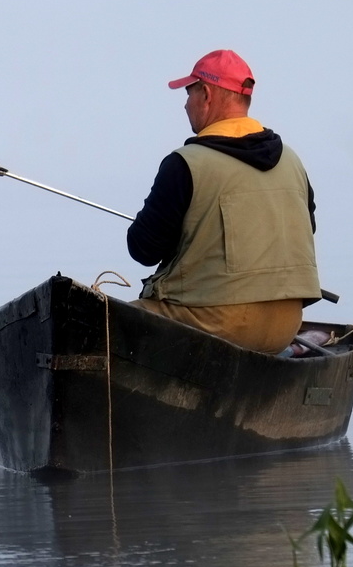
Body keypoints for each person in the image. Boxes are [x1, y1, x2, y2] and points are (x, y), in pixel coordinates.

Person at [126, 49, 320, 353]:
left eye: (188, 93)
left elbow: (143, 250)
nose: (185, 104)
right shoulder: (292, 161)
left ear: (205, 94)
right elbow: (307, 228)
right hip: (285, 325)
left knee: (110, 323)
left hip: (216, 325)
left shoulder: (184, 164)